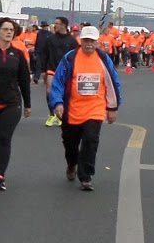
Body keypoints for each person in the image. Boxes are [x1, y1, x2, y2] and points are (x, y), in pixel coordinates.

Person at [48, 25, 122, 191]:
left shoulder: (104, 60)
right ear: (80, 41)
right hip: (72, 109)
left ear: (97, 43)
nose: (89, 43)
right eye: (86, 40)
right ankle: (71, 164)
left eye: (92, 41)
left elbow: (113, 84)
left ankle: (86, 176)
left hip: (95, 109)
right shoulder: (70, 58)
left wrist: (112, 108)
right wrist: (58, 103)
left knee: (90, 140)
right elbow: (58, 82)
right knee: (70, 143)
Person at [0, 17, 33, 191]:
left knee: (4, 138)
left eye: (11, 30)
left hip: (11, 103)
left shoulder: (18, 54)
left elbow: (24, 80)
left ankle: (0, 175)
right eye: (5, 29)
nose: (9, 32)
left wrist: (27, 104)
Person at [34, 17, 77, 125]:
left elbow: (76, 56)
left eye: (57, 23)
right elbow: (44, 54)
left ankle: (61, 114)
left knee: (64, 92)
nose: (55, 25)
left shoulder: (72, 40)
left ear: (64, 25)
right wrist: (43, 70)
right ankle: (51, 114)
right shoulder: (50, 39)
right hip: (52, 68)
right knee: (49, 91)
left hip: (66, 70)